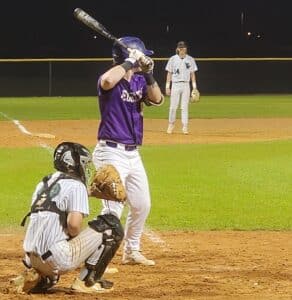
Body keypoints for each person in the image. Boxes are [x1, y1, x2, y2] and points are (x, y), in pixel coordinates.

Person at [92, 36, 164, 266]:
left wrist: (150, 73)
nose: (146, 59)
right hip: (110, 151)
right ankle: (94, 257)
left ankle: (131, 251)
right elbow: (106, 81)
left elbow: (158, 99)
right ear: (129, 56)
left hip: (132, 153)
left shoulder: (139, 81)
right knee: (112, 209)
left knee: (142, 204)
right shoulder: (112, 80)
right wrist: (129, 62)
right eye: (142, 55)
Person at [18, 142, 124, 294]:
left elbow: (55, 205)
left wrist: (88, 192)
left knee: (54, 229)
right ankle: (86, 282)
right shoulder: (76, 186)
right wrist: (73, 238)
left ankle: (42, 277)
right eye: (83, 163)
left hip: (31, 259)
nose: (85, 168)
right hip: (57, 259)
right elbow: (73, 225)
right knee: (111, 226)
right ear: (73, 162)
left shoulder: (44, 183)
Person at [165, 41, 199, 134]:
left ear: (186, 48)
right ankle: (171, 124)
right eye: (180, 48)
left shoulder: (190, 59)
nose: (182, 49)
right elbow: (169, 73)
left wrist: (194, 88)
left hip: (186, 85)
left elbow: (192, 74)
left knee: (184, 107)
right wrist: (167, 87)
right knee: (173, 107)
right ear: (177, 49)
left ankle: (185, 126)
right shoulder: (172, 59)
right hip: (175, 84)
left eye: (183, 48)